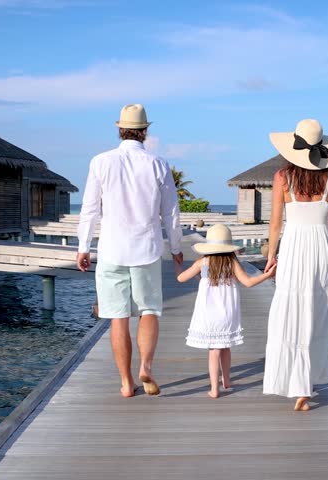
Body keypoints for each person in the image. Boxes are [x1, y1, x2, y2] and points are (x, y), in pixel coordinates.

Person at [76, 104, 183, 398]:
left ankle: (125, 383)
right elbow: (170, 212)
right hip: (146, 248)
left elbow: (89, 209)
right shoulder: (158, 164)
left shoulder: (100, 161)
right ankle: (146, 366)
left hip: (111, 249)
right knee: (149, 310)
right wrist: (175, 247)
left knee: (117, 317)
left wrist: (83, 247)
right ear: (145, 131)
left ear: (119, 129)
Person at [262, 119, 328, 411]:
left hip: (295, 246)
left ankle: (296, 383)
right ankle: (307, 385)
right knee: (317, 313)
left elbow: (276, 222)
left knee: (290, 310)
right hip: (322, 247)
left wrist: (272, 254)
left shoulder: (282, 177)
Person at [177, 224, 276, 398]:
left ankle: (214, 389)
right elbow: (248, 282)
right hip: (227, 313)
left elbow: (181, 278)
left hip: (208, 315)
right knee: (225, 347)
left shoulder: (202, 263)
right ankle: (227, 381)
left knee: (213, 350)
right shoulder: (232, 262)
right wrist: (267, 275)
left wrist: (180, 266)